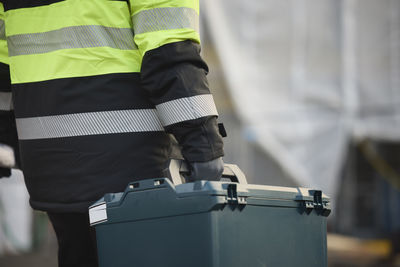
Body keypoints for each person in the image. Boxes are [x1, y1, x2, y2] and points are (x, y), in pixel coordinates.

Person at [0, 0, 224, 266]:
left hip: (50, 162)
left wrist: (5, 142)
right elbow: (167, 51)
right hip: (132, 171)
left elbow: (4, 61)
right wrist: (203, 141)